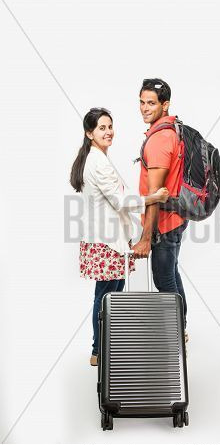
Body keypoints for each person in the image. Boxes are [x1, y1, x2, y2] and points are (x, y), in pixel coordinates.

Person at [70, 107, 169, 366]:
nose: (108, 132)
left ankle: (104, 347)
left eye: (110, 126)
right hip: (106, 241)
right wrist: (153, 198)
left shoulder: (97, 157)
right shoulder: (97, 161)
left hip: (108, 239)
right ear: (89, 133)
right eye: (101, 128)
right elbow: (120, 200)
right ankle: (98, 351)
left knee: (111, 294)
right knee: (106, 297)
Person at [132, 79, 189, 340]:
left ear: (165, 105)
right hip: (176, 215)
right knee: (171, 274)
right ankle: (180, 329)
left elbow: (154, 196)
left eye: (151, 103)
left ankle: (176, 334)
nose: (144, 108)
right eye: (142, 102)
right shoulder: (171, 130)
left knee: (164, 280)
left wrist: (146, 237)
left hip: (164, 221)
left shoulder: (159, 139)